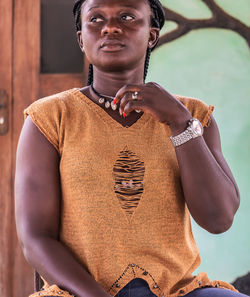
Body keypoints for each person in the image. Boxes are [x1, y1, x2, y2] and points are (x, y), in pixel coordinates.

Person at [14, 0, 246, 297]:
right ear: (81, 39)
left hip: (178, 292)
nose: (110, 27)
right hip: (80, 293)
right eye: (95, 19)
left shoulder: (193, 115)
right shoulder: (49, 118)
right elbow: (35, 237)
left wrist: (179, 122)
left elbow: (219, 218)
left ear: (152, 35)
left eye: (126, 16)